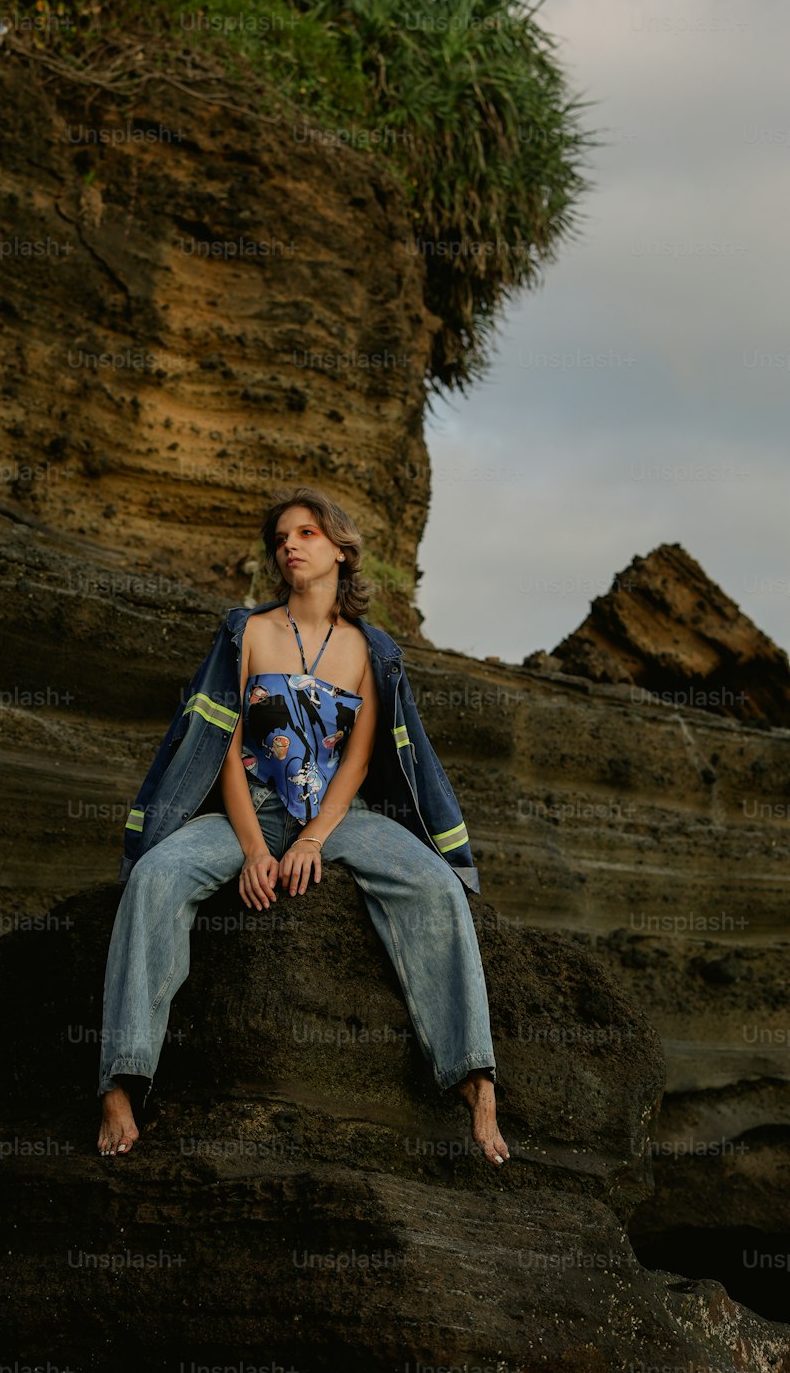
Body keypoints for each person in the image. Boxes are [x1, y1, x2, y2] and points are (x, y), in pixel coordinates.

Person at [97, 486, 509, 1166]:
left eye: (308, 533)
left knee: (435, 884)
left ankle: (475, 1078)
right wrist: (256, 849)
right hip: (250, 809)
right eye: (283, 536)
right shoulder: (248, 631)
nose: (290, 544)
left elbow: (358, 758)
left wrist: (316, 837)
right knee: (156, 876)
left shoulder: (371, 649)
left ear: (342, 551)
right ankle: (120, 1080)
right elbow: (223, 747)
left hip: (337, 816)